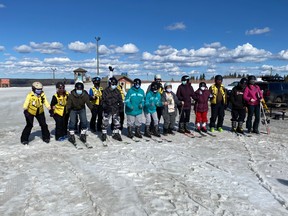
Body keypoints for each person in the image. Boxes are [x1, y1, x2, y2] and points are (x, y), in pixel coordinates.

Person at [101, 76, 124, 141]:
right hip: (107, 109)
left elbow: (120, 100)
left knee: (116, 122)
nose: (114, 86)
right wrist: (105, 106)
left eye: (115, 84)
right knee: (105, 122)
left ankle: (115, 133)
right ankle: (104, 133)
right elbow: (102, 101)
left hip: (115, 109)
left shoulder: (117, 91)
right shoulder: (106, 91)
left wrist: (121, 107)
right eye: (112, 84)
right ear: (110, 84)